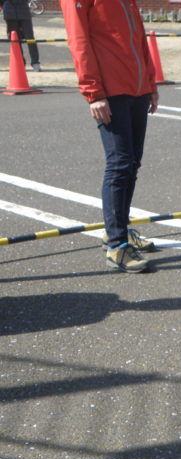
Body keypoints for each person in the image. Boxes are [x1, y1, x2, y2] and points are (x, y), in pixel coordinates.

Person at [62, 0, 159, 274]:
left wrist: (150, 84)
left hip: (137, 87)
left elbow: (138, 37)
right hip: (110, 90)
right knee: (119, 164)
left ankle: (119, 230)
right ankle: (116, 244)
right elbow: (79, 41)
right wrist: (93, 92)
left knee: (131, 164)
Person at [2, 0, 41, 71]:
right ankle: (20, 63)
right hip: (10, 13)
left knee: (30, 38)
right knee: (15, 40)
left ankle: (35, 62)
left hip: (23, 12)